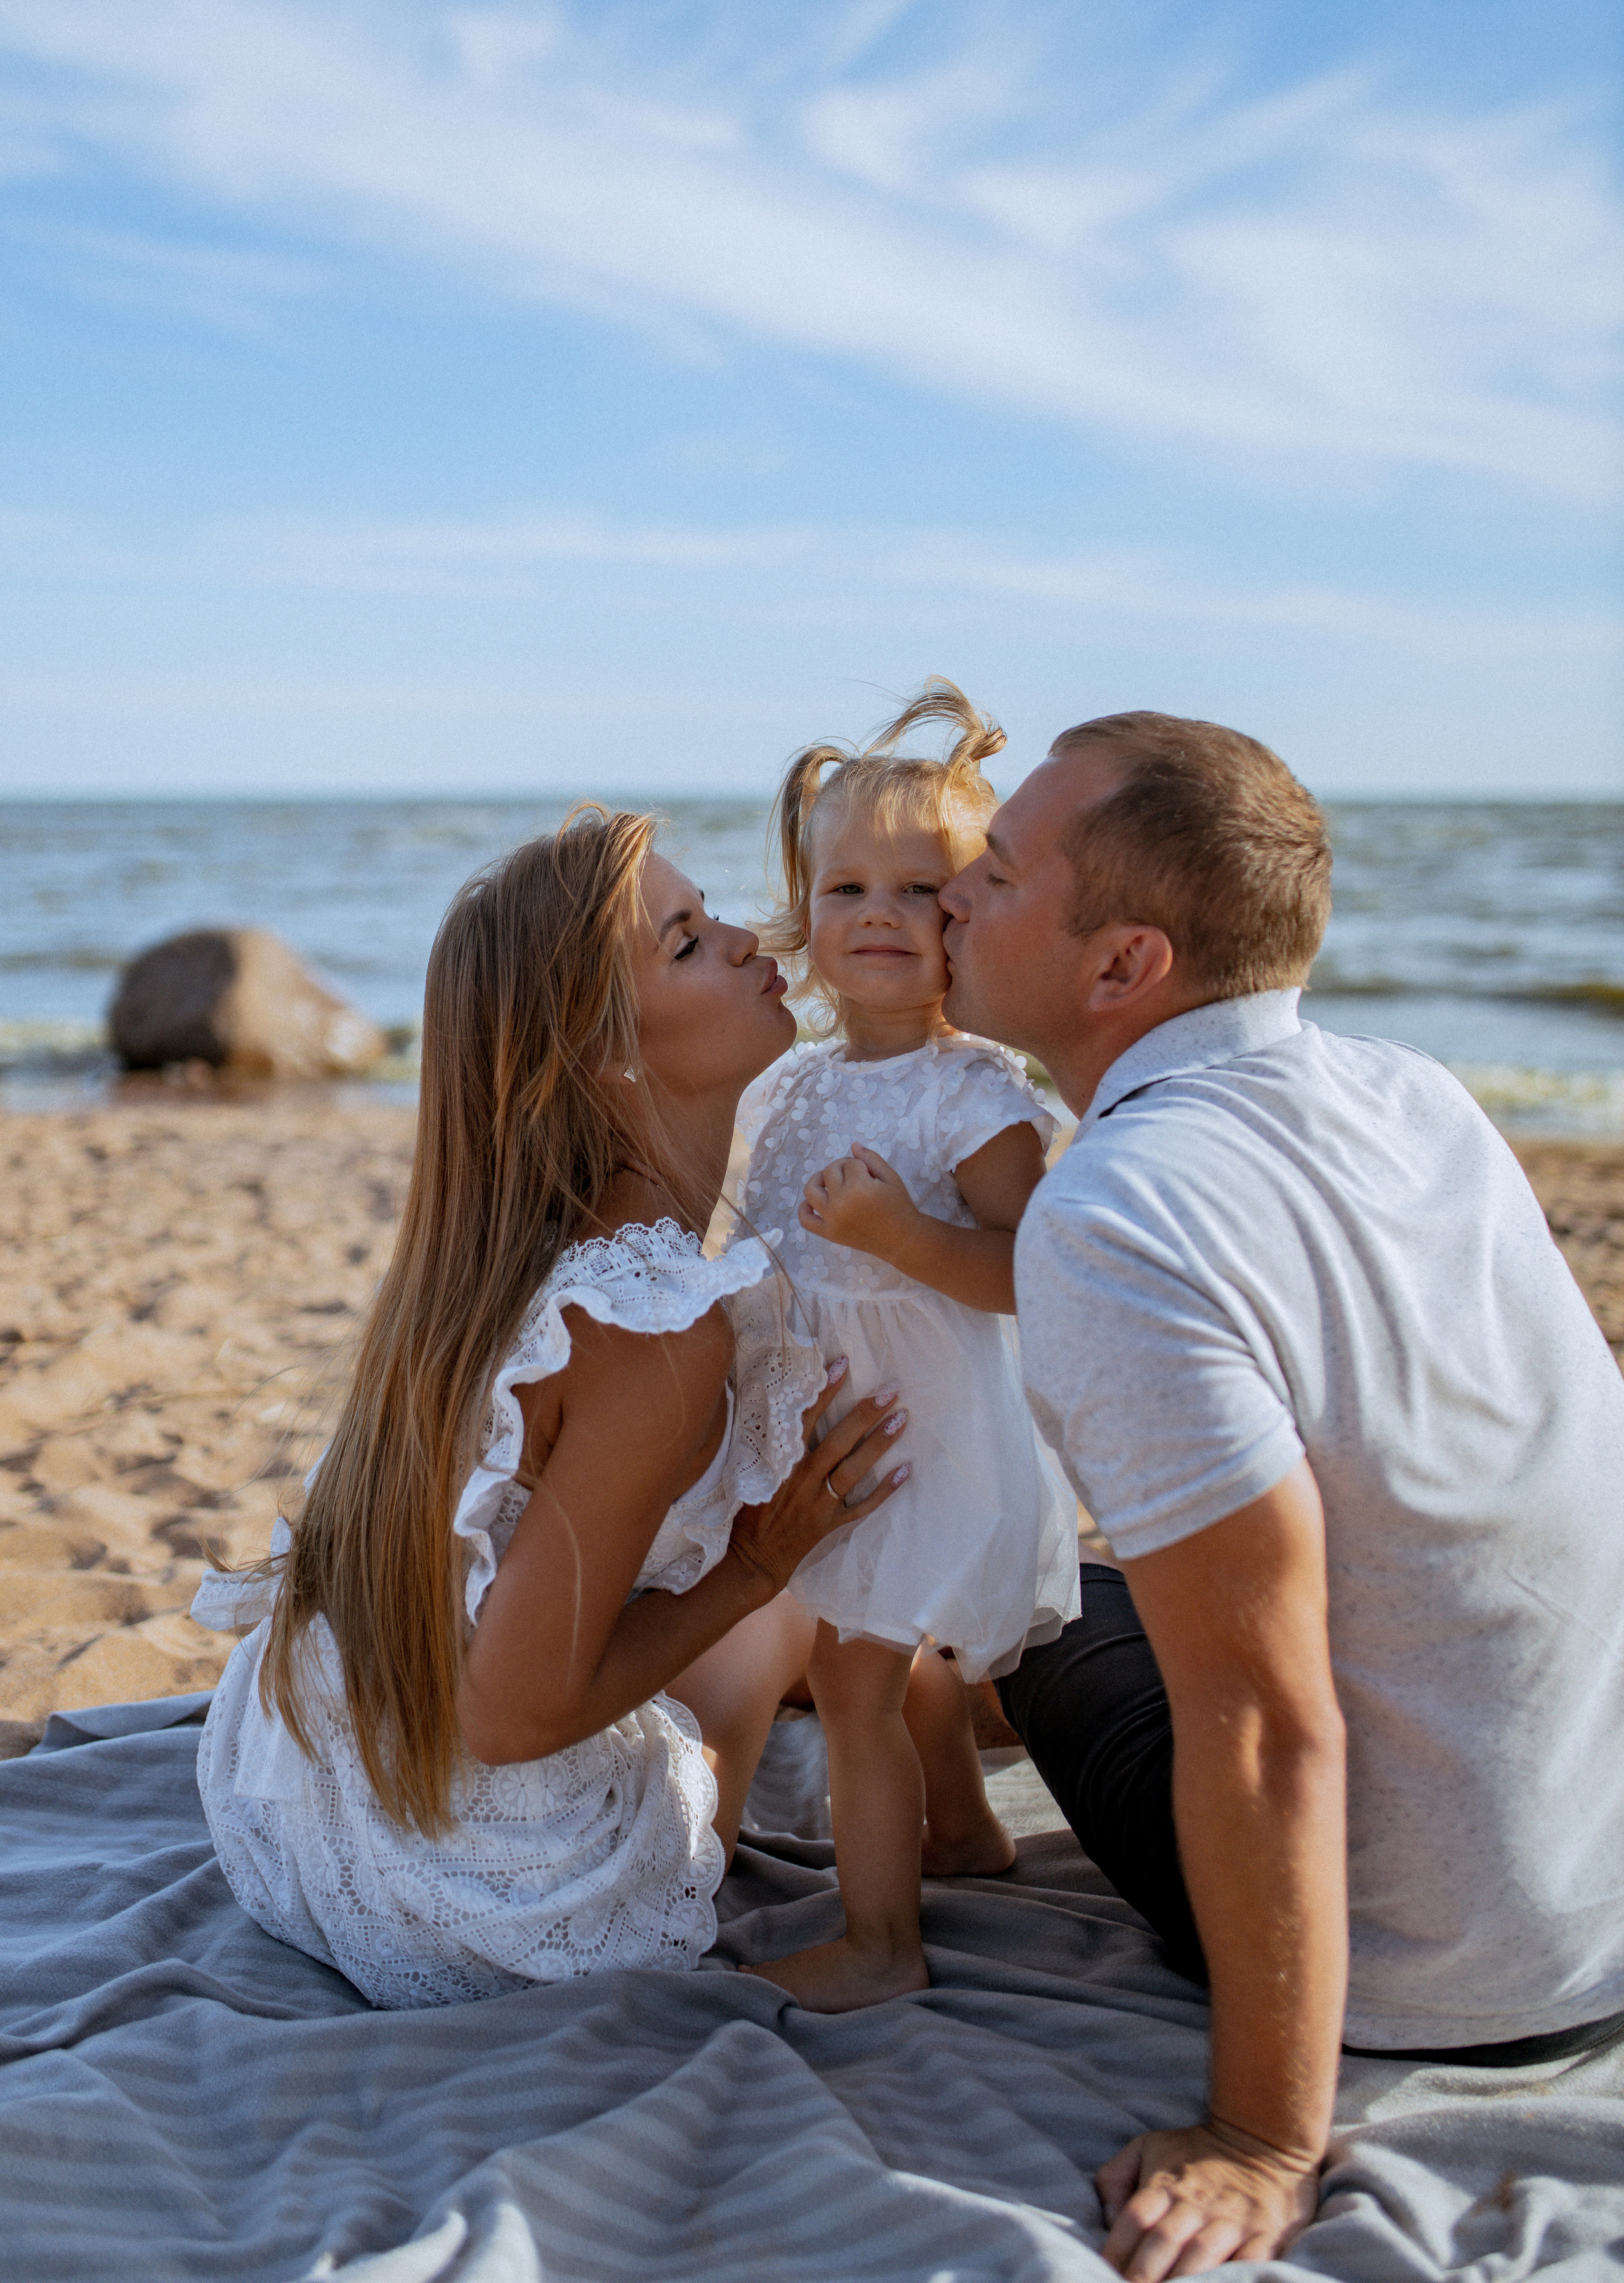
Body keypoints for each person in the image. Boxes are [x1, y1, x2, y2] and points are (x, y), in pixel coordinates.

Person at [939, 711, 1624, 2280]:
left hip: (1437, 1970)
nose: (947, 898)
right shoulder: (1414, 1091)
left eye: (994, 870)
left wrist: (1258, 2141)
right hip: (1586, 1883)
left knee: (1020, 1603)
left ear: (1122, 968)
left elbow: (1260, 1716)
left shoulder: (1114, 1212)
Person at [192, 810, 910, 2009]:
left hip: (294, 1794)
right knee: (773, 1620)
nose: (745, 939)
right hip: (486, 1898)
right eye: (686, 943)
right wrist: (753, 1565)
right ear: (605, 1054)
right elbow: (513, 1715)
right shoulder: (653, 1332)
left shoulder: (507, 1248)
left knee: (759, 1615)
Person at [736, 683, 1080, 2011]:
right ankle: (967, 1833)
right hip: (833, 1423)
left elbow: (1027, 1276)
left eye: (919, 888)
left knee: (852, 1673)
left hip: (923, 1441)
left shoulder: (974, 1094)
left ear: (972, 916)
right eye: (845, 889)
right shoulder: (800, 1084)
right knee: (898, 1654)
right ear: (806, 914)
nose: (878, 914)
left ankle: (881, 1945)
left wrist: (897, 1238)